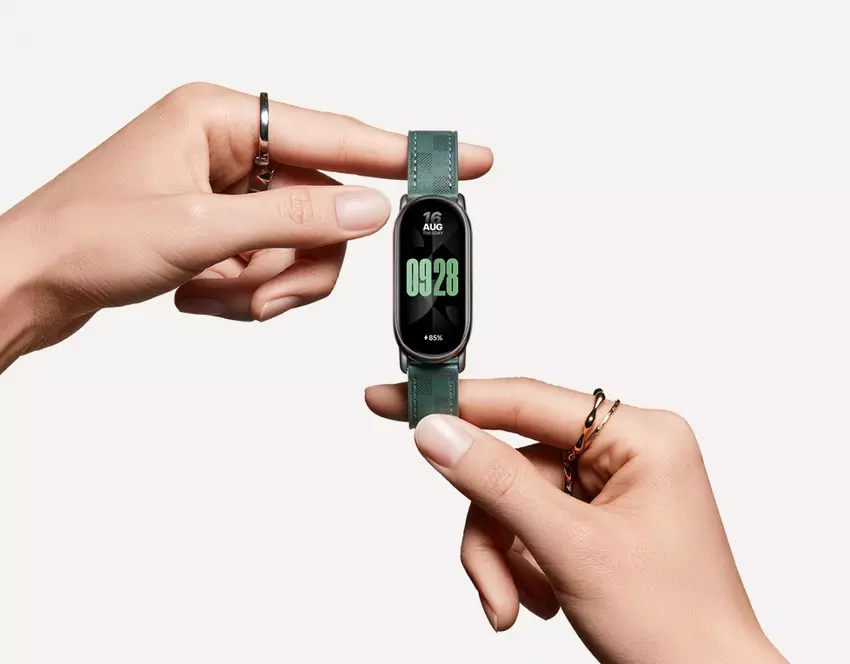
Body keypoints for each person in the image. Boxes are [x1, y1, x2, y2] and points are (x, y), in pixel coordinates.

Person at [0, 83, 788, 663]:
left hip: (432, 353)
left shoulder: (425, 223)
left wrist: (31, 264)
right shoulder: (430, 219)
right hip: (433, 353)